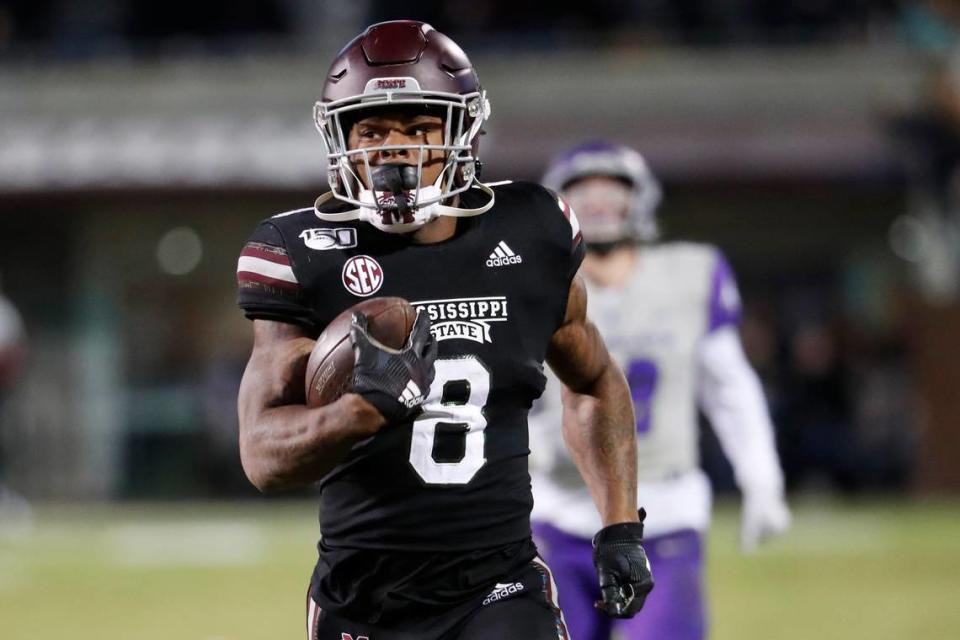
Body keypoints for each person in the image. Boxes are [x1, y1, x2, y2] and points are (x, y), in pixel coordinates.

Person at [235, 21, 653, 640]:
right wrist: (356, 413)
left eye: (418, 127)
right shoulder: (303, 252)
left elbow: (592, 381)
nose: (393, 150)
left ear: (463, 132)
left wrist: (620, 524)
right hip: (362, 597)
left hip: (498, 583)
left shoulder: (531, 231)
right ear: (340, 138)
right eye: (371, 130)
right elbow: (262, 454)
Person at [529, 142, 791, 640]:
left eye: (612, 191)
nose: (600, 204)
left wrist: (762, 477)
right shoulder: (536, 282)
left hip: (662, 507)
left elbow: (729, 387)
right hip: (558, 507)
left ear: (641, 199)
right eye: (585, 192)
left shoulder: (690, 273)